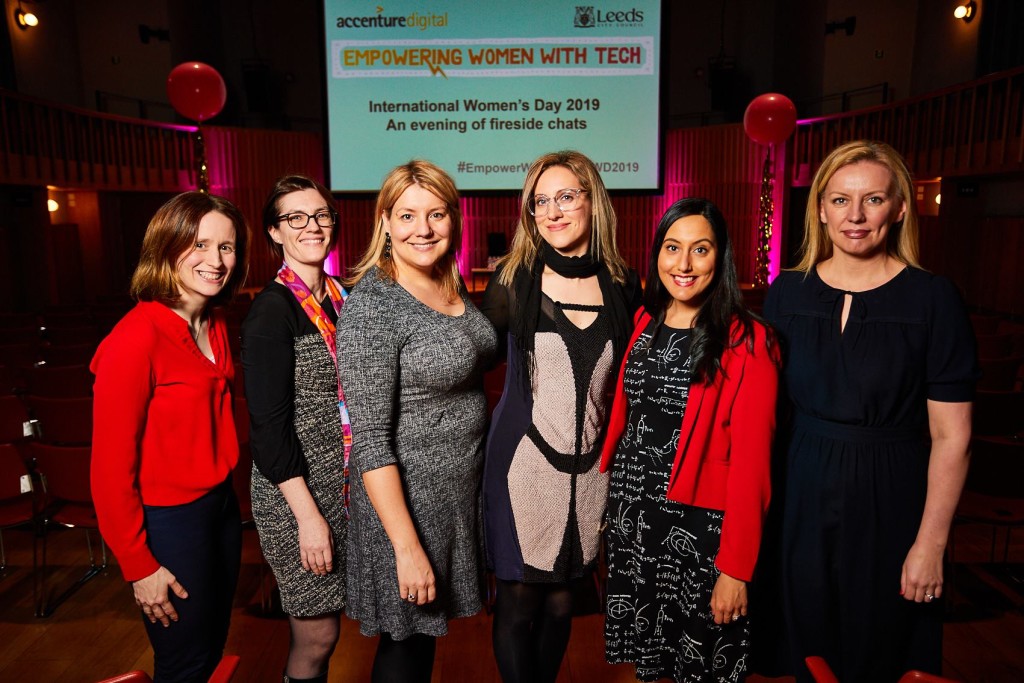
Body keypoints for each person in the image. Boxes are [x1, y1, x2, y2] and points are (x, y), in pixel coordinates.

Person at [763, 140, 977, 682]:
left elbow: (953, 437)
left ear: (900, 207)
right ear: (819, 208)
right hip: (797, 493)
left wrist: (931, 545)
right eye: (839, 200)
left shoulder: (933, 299)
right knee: (803, 651)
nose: (854, 216)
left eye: (873, 199)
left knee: (877, 653)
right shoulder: (786, 292)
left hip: (891, 496)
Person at [599, 198, 779, 682]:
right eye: (672, 247)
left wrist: (736, 569)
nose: (683, 264)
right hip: (636, 517)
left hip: (700, 532)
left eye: (700, 249)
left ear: (720, 258)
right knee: (653, 662)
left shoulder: (747, 341)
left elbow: (753, 465)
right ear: (657, 252)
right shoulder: (645, 322)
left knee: (700, 665)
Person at [480, 150, 641, 682]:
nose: (552, 212)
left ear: (592, 201)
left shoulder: (623, 283)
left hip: (592, 469)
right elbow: (468, 357)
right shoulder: (512, 280)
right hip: (523, 464)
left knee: (563, 605)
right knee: (521, 601)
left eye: (565, 197)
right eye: (539, 202)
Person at [337, 160, 496, 683]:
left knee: (424, 642)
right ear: (384, 221)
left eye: (436, 214)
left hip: (454, 496)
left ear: (454, 219)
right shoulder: (373, 306)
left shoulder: (448, 285)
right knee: (404, 650)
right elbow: (371, 444)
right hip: (404, 508)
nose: (422, 229)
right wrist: (406, 548)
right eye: (406, 215)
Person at [91, 192, 250, 682]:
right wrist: (139, 566)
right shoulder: (133, 340)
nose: (216, 260)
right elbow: (108, 472)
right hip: (168, 524)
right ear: (167, 246)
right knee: (183, 663)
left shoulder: (215, 321)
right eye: (199, 244)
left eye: (226, 247)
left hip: (220, 509)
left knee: (209, 647)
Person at [241, 175, 348, 683]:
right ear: (274, 233)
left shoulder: (341, 296)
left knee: (335, 629)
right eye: (295, 218)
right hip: (297, 495)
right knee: (318, 634)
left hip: (343, 484)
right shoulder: (271, 311)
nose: (312, 226)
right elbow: (268, 429)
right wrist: (307, 517)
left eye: (321, 215)